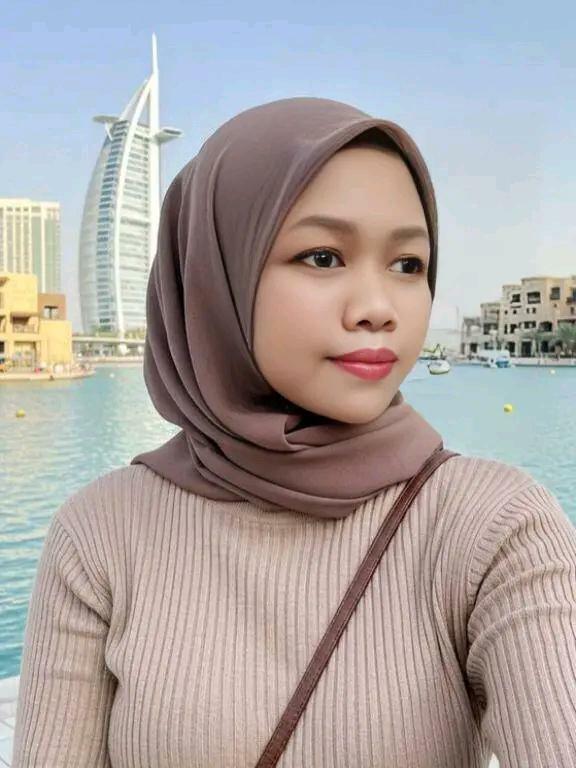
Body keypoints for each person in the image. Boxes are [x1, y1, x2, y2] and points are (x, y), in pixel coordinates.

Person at [11, 96, 576, 767]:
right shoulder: (101, 534)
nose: (377, 309)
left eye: (407, 265)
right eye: (323, 257)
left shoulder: (497, 530)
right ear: (215, 276)